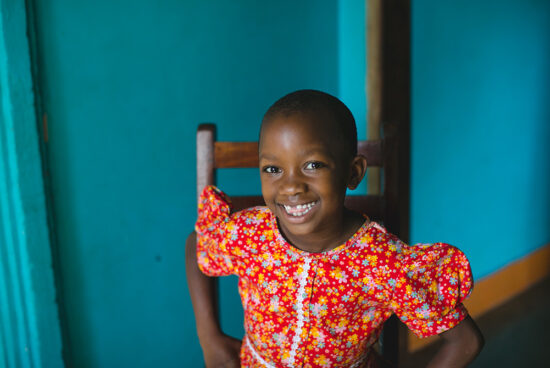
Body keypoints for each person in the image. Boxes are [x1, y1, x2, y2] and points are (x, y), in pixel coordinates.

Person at [186, 90, 484, 367]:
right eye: (273, 169)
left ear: (353, 173)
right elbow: (196, 245)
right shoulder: (248, 234)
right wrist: (208, 337)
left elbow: (465, 341)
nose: (290, 186)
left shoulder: (382, 262)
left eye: (313, 165)